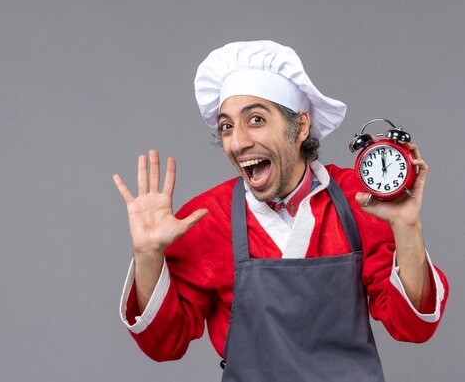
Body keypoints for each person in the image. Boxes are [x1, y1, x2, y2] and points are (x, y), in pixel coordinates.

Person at [112, 40, 449, 382]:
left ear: (300, 127)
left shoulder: (358, 200)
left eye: (255, 120)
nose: (238, 141)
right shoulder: (206, 217)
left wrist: (407, 227)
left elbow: (412, 328)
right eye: (227, 126)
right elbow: (165, 344)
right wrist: (148, 255)